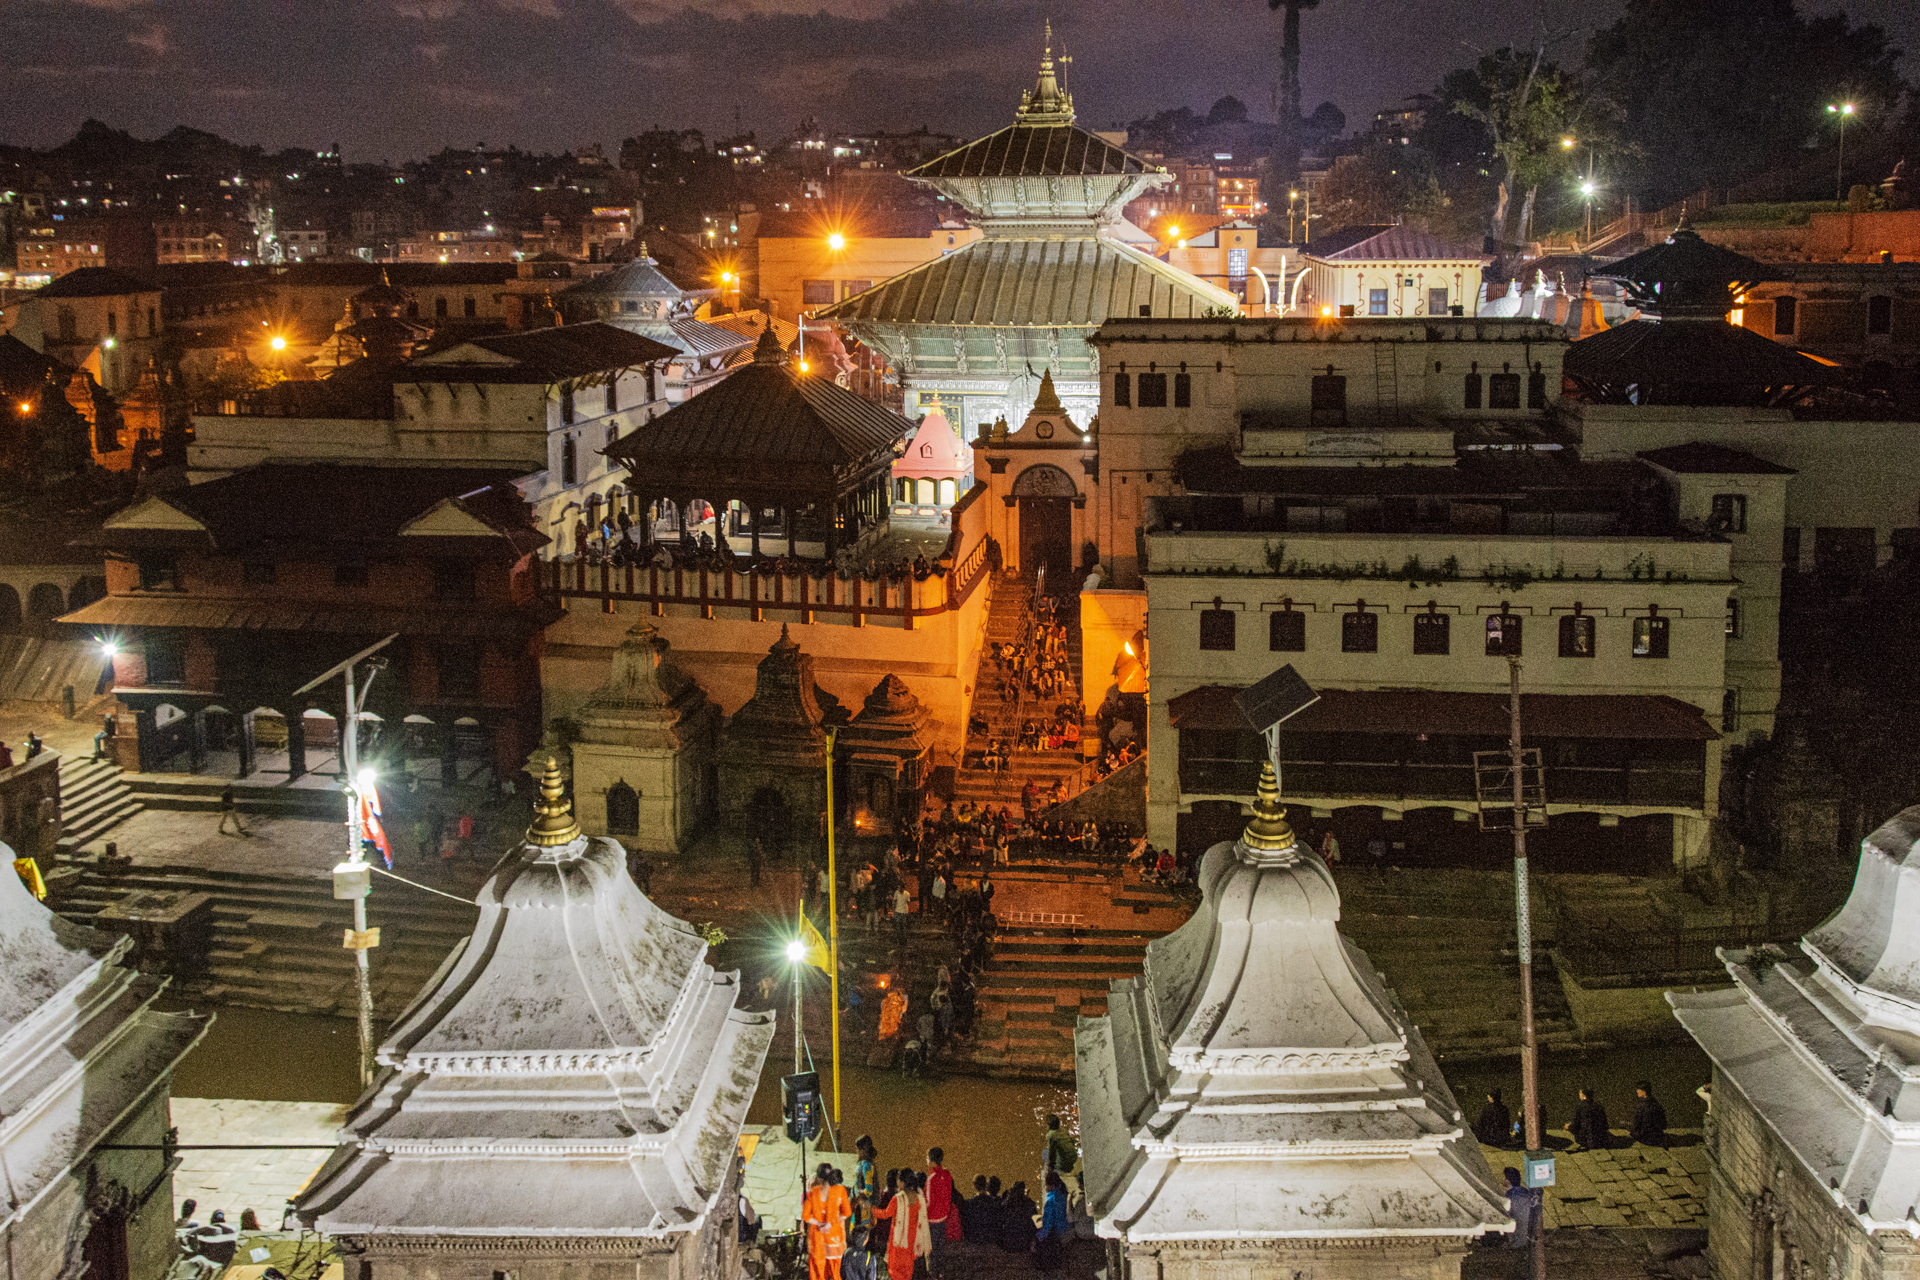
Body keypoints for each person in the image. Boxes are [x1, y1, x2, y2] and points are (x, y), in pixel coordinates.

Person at [869, 1168, 931, 1280]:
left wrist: (872, 1209)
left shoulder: (898, 1199)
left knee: (895, 1270)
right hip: (912, 1241)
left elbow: (885, 1214)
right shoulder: (919, 1199)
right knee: (907, 1271)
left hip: (898, 1241)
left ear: (902, 1182)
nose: (897, 1182)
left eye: (898, 1180)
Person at [1035, 1171, 1072, 1279]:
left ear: (1050, 1186)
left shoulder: (1051, 1201)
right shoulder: (1063, 1194)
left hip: (1059, 1233)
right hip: (1068, 1228)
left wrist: (1037, 1237)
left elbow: (1047, 1227)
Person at [924, 1148, 956, 1272]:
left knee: (931, 1251)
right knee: (940, 1249)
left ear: (932, 1161)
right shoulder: (947, 1174)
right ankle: (941, 1274)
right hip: (943, 1219)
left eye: (927, 1158)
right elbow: (949, 1195)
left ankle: (933, 1274)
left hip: (932, 1221)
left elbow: (928, 1202)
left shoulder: (931, 1179)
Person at [1502, 1167, 1540, 1249]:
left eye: (1504, 1178)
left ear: (1507, 1181)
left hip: (1517, 1240)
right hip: (1529, 1235)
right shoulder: (1525, 1191)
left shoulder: (1510, 1196)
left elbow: (1505, 1213)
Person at [1568, 1086, 1610, 1151]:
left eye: (1580, 1093)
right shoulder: (1599, 1106)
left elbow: (1576, 1124)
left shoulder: (1581, 1106)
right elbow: (1605, 1124)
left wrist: (1568, 1127)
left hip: (1586, 1139)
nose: (1579, 1095)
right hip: (1600, 1139)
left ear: (1584, 1095)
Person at [1630, 1080, 1670, 1147]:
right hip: (1658, 1137)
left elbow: (1637, 1124)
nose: (1637, 1091)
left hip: (1646, 1138)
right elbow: (1664, 1125)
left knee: (1625, 1125)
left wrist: (1634, 1132)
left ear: (1643, 1092)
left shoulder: (1642, 1106)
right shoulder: (1656, 1103)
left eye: (1638, 1089)